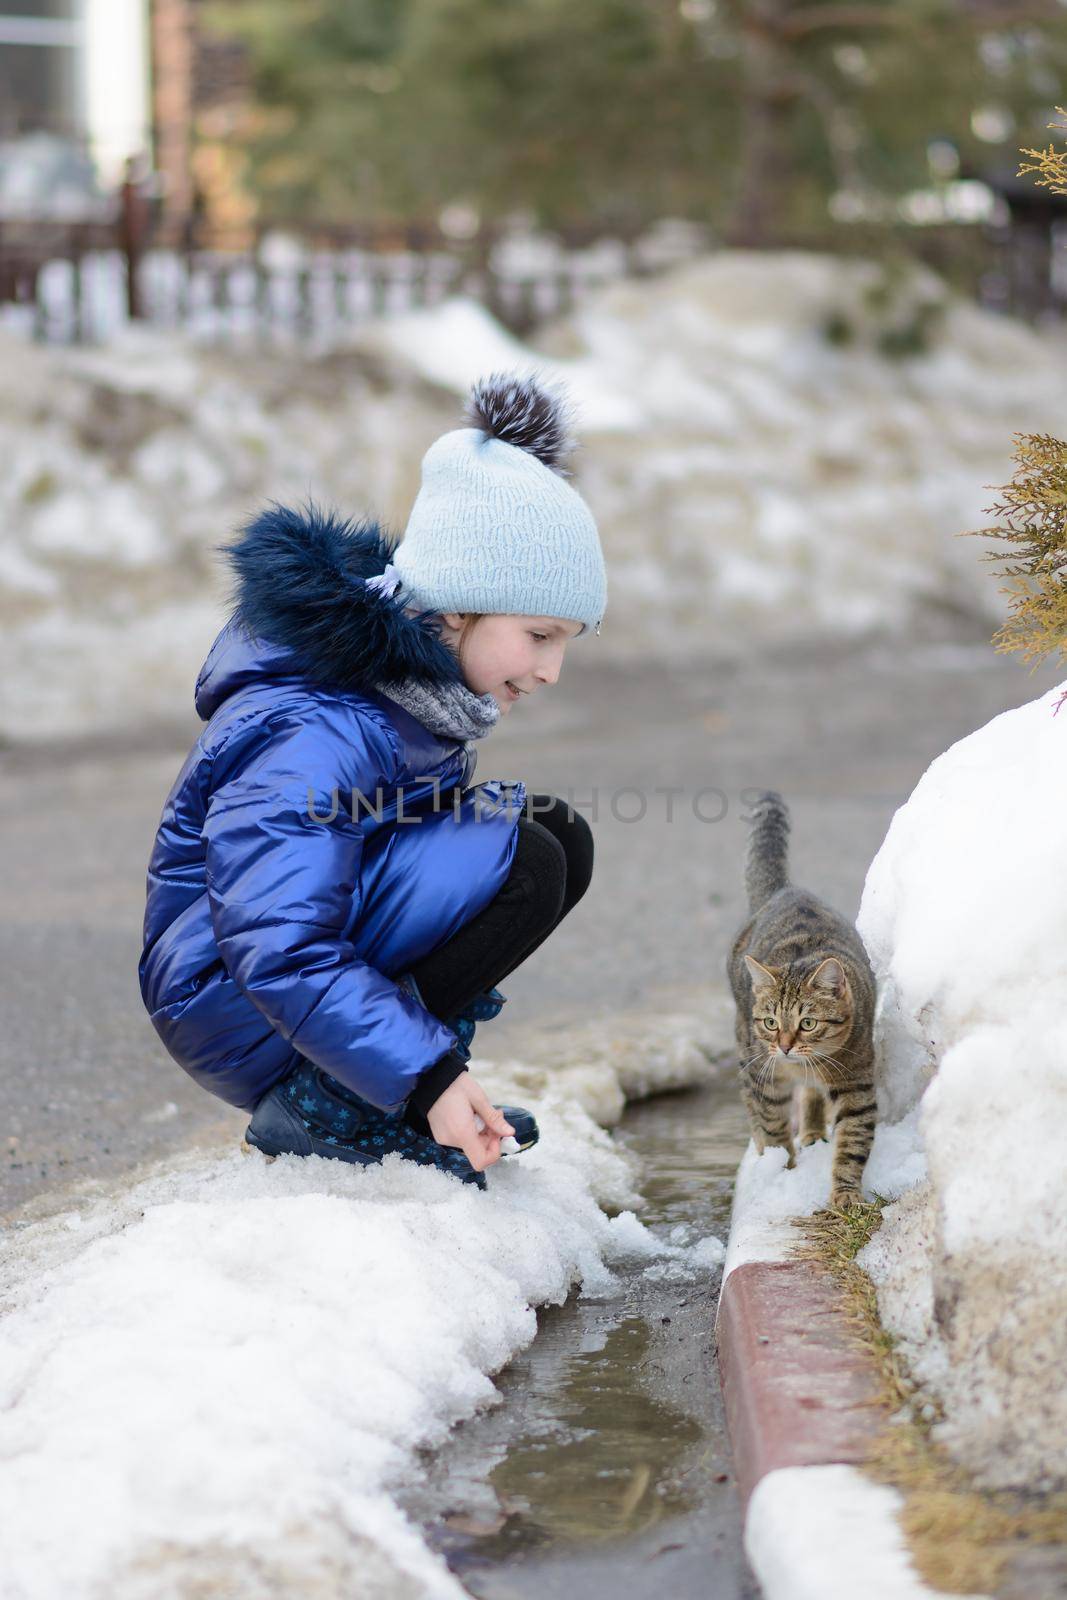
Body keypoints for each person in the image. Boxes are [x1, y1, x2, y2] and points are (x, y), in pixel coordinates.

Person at [138, 372, 608, 1188]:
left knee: (554, 834)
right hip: (232, 996)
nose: (550, 669)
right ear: (458, 607)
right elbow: (275, 938)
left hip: (277, 983)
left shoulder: (409, 695)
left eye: (564, 640)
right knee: (521, 861)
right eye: (537, 634)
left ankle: (394, 1089)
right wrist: (427, 1078)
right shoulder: (317, 726)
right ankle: (337, 1105)